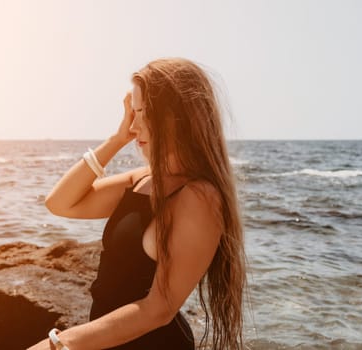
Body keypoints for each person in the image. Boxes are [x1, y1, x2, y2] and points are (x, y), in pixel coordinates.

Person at [27, 58, 246, 350]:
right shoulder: (142, 179)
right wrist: (117, 140)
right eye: (133, 111)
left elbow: (161, 307)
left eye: (143, 112)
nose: (133, 123)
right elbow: (60, 203)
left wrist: (61, 342)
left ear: (176, 117)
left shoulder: (199, 197)